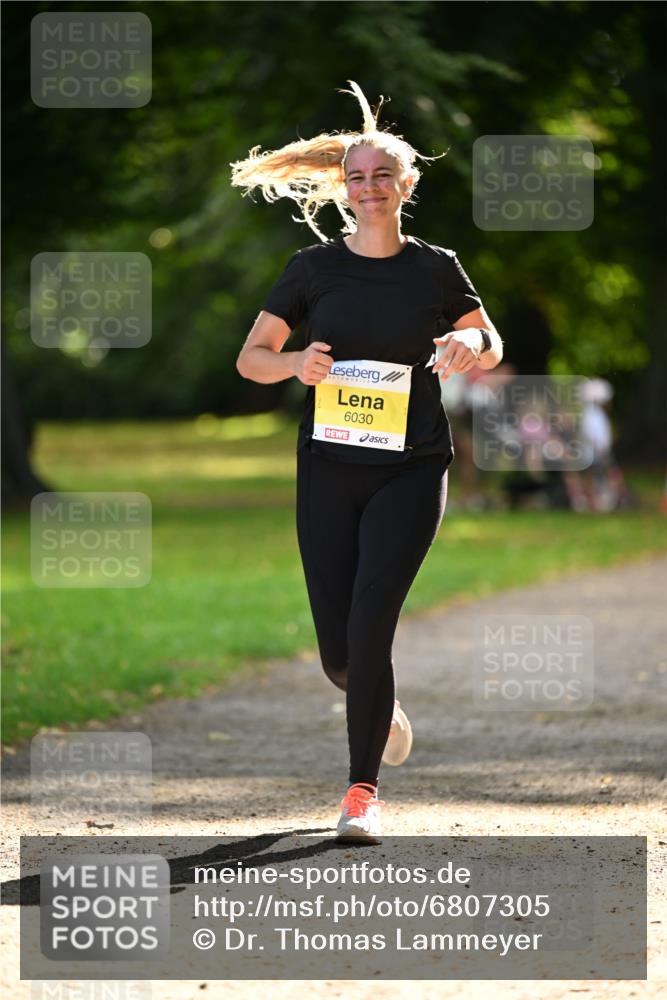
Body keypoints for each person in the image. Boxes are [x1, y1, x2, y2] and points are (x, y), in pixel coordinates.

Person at [231, 80, 503, 843]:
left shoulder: (435, 268)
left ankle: (359, 795)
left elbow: (491, 340)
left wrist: (468, 344)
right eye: (357, 176)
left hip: (410, 467)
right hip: (328, 466)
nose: (370, 186)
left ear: (405, 185)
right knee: (339, 652)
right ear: (342, 189)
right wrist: (295, 367)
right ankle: (376, 705)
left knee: (371, 622)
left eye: (383, 174)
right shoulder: (311, 270)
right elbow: (251, 358)